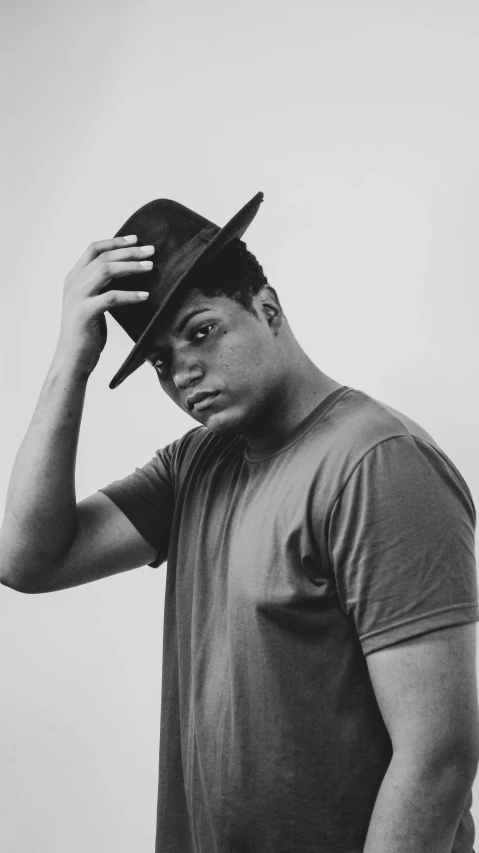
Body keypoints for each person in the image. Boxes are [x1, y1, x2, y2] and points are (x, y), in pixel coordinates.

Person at [0, 191, 478, 853]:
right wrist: (69, 363)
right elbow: (28, 559)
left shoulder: (375, 464)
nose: (184, 372)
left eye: (199, 331)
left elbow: (439, 756)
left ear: (267, 308)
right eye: (162, 362)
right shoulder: (197, 463)